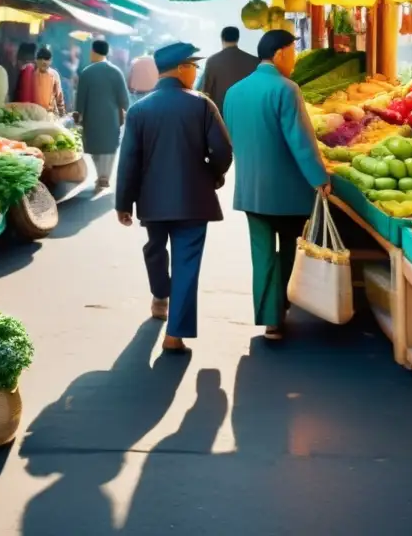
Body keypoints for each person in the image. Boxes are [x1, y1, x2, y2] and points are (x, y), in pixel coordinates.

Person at [116, 42, 232, 352]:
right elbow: (222, 151)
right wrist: (212, 176)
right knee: (187, 263)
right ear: (182, 69)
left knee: (155, 248)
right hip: (195, 201)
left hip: (152, 201)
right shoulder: (201, 105)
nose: (196, 72)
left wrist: (123, 203)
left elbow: (129, 160)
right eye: (194, 66)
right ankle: (174, 334)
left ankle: (159, 295)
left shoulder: (140, 110)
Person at [223, 30, 330, 341]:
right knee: (288, 250)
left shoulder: (234, 92)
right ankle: (281, 307)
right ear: (281, 53)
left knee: (262, 253)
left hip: (249, 188)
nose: (294, 59)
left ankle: (270, 319)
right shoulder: (286, 89)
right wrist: (319, 179)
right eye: (293, 52)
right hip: (287, 190)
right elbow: (301, 141)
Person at [75, 39, 130, 189]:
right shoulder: (116, 71)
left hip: (92, 118)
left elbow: (80, 99)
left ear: (93, 51)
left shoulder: (86, 73)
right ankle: (105, 176)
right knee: (110, 147)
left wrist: (78, 114)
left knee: (95, 147)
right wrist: (126, 111)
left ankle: (101, 175)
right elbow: (124, 99)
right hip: (112, 118)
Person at [198, 26, 259, 111]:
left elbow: (206, 92)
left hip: (221, 114)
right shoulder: (254, 61)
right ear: (237, 38)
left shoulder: (213, 61)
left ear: (222, 38)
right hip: (247, 112)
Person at [34, 46, 66, 117]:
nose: (43, 61)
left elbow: (59, 97)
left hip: (50, 116)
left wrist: (62, 115)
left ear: (51, 61)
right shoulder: (31, 74)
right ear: (36, 60)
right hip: (34, 115)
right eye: (41, 58)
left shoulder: (54, 75)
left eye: (46, 59)